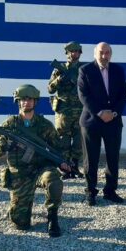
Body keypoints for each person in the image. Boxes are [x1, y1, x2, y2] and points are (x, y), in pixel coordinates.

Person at [0, 85, 71, 237]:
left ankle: (52, 217)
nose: (26, 102)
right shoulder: (9, 125)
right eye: (23, 99)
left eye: (30, 99)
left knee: (53, 179)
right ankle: (17, 209)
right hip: (19, 174)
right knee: (20, 224)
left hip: (41, 169)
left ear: (35, 102)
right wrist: (3, 145)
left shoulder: (44, 125)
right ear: (18, 101)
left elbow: (58, 149)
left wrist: (63, 162)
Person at [77, 42, 126, 205]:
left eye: (107, 53)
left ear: (110, 54)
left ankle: (110, 191)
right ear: (95, 53)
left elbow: (123, 94)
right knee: (90, 159)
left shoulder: (118, 70)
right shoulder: (85, 70)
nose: (104, 56)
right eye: (101, 52)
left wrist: (113, 113)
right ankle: (90, 192)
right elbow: (83, 95)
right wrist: (100, 113)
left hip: (113, 121)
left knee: (113, 157)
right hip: (91, 121)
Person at [48, 41, 84, 178]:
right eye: (72, 51)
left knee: (79, 139)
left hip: (80, 110)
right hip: (64, 111)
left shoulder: (83, 69)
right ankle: (65, 168)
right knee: (63, 139)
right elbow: (50, 89)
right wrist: (59, 80)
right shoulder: (59, 68)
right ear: (67, 53)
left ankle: (75, 166)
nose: (74, 54)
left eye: (77, 51)